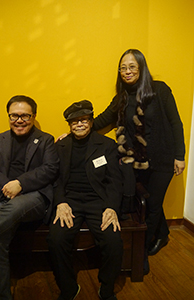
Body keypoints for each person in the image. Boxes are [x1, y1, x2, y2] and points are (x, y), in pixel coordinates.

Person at [93, 49, 185, 272]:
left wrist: (179, 156)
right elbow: (103, 120)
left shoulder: (159, 90)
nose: (127, 71)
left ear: (142, 68)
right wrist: (77, 129)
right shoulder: (122, 98)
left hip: (163, 159)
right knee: (145, 203)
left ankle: (140, 252)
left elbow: (176, 123)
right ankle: (162, 234)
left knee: (152, 205)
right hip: (135, 161)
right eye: (123, 67)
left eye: (132, 66)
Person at [0, 95, 59, 300]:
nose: (19, 120)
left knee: (13, 209)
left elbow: (50, 169)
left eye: (25, 116)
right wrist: (6, 188)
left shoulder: (45, 140)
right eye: (14, 116)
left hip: (35, 197)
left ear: (33, 116)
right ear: (8, 116)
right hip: (4, 194)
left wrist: (20, 183)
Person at [47, 100, 123, 300]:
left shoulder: (107, 145)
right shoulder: (60, 146)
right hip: (69, 201)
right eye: (75, 121)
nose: (79, 124)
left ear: (91, 122)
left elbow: (115, 181)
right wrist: (60, 202)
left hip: (98, 201)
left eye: (84, 120)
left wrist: (111, 207)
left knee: (113, 240)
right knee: (56, 240)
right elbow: (54, 180)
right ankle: (69, 288)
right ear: (69, 125)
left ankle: (106, 288)